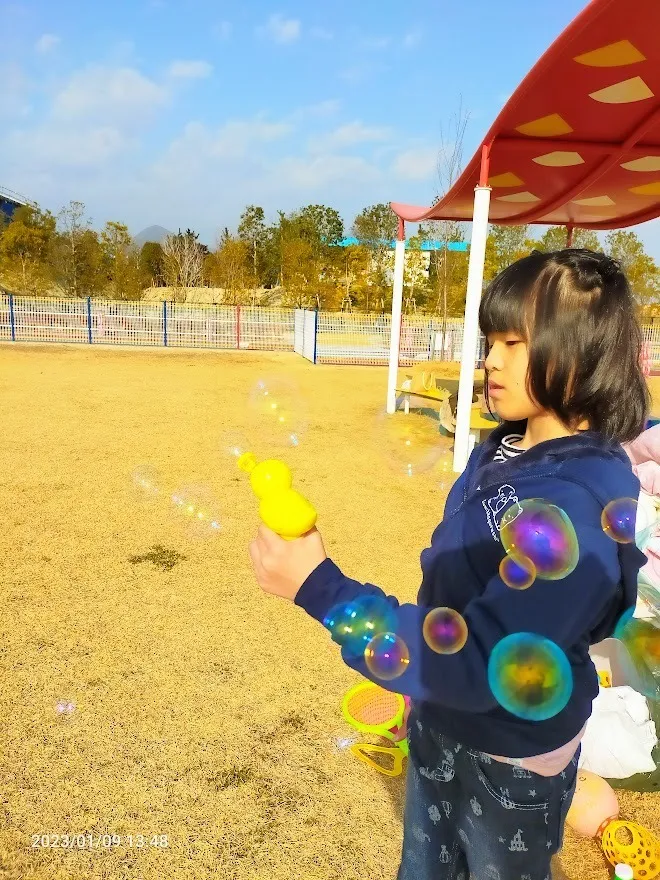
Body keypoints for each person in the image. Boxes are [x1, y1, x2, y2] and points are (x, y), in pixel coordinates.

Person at [248, 249, 651, 880]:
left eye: (514, 342)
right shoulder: (505, 447)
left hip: (510, 761)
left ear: (581, 355)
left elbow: (482, 660)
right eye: (491, 340)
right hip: (442, 721)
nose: (490, 358)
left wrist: (320, 589)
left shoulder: (573, 507)